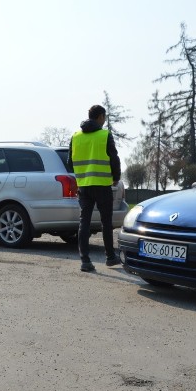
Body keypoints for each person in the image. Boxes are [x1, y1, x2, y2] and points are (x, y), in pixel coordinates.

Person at [66, 105, 122, 272]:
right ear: (100, 117)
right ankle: (110, 257)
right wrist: (116, 177)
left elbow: (70, 163)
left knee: (84, 222)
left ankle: (85, 261)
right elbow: (114, 158)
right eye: (103, 117)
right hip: (103, 185)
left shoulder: (76, 137)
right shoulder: (104, 135)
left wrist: (82, 175)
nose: (104, 121)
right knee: (106, 222)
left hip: (84, 186)